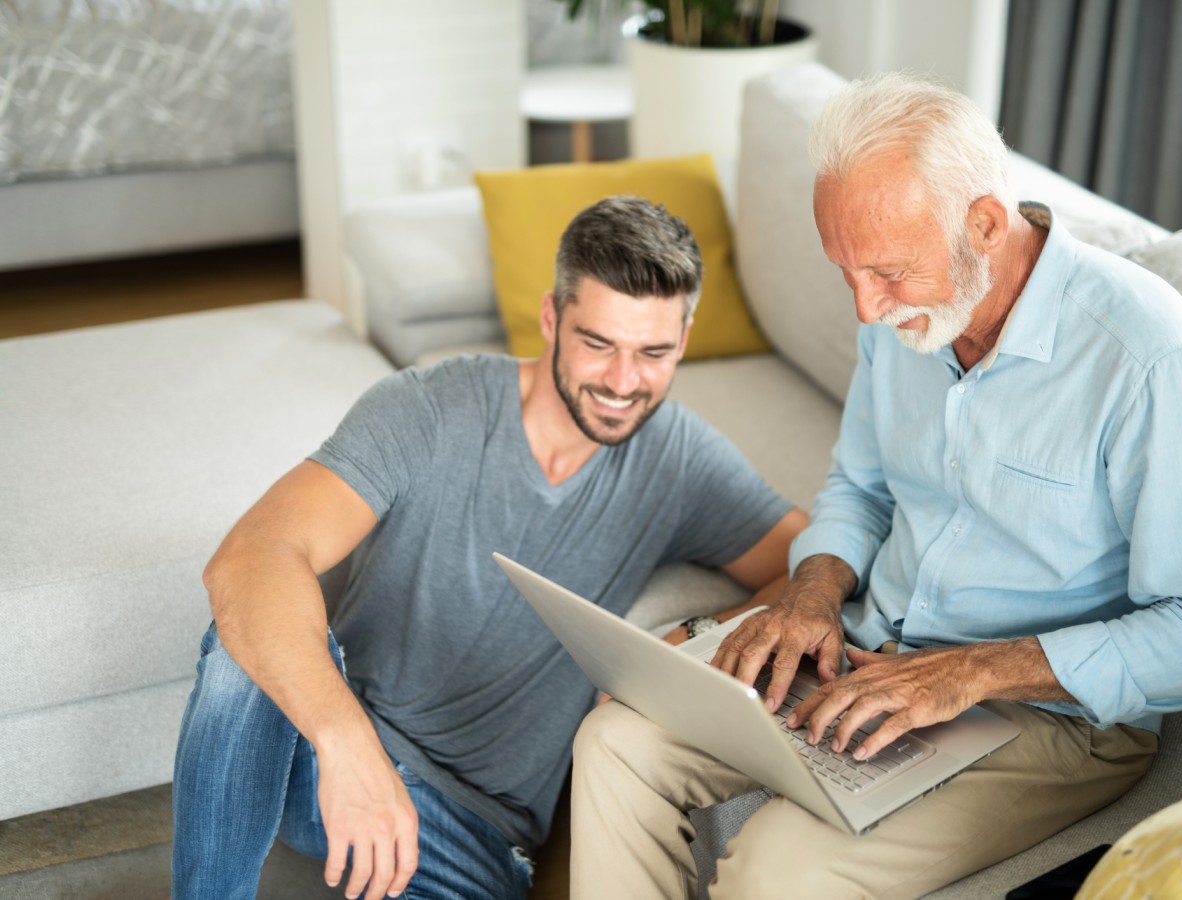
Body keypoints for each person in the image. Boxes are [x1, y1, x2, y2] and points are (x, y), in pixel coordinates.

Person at [569, 73, 1182, 899]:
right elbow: (861, 489)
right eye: (846, 272)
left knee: (775, 872)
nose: (867, 310)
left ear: (984, 224)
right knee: (617, 740)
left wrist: (968, 674)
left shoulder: (1151, 361)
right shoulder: (903, 320)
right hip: (865, 650)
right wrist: (811, 593)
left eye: (890, 273)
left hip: (1042, 717)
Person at [170, 195, 808, 900]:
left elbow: (811, 564)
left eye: (653, 353)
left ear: (682, 341)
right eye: (598, 343)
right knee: (239, 651)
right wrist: (348, 744)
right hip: (331, 760)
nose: (624, 383)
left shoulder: (680, 461)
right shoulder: (428, 408)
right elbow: (249, 558)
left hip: (472, 834)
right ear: (550, 319)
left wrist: (694, 637)